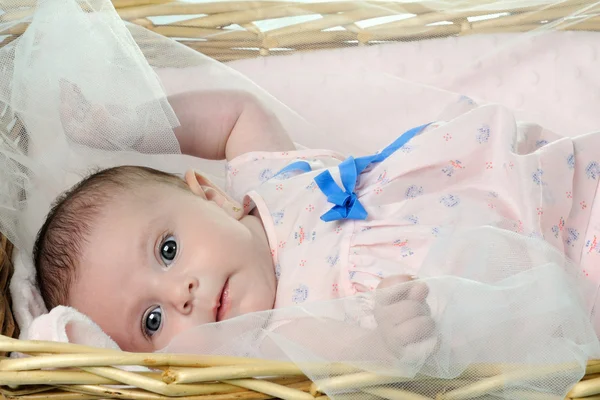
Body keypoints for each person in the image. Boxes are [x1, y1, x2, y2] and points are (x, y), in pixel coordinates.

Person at [34, 84, 599, 353]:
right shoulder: (275, 338)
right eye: (152, 321)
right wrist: (385, 340)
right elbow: (352, 360)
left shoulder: (267, 183)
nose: (181, 294)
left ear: (210, 196)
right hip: (530, 286)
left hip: (527, 193)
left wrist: (120, 126)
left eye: (166, 250)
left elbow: (236, 113)